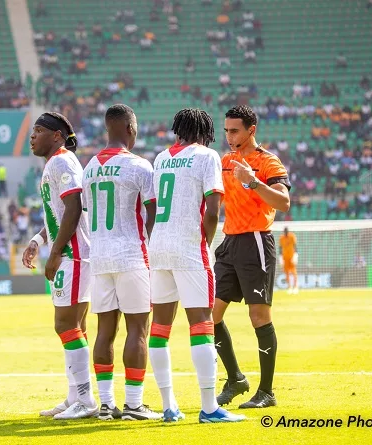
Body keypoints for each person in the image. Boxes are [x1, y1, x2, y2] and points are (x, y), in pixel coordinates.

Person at [148, 108, 245, 423]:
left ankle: (168, 407)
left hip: (158, 247)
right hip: (188, 247)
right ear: (206, 132)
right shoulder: (206, 156)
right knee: (202, 324)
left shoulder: (161, 158)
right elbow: (213, 208)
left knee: (159, 329)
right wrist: (203, 241)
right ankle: (209, 407)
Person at [83, 104, 160, 421]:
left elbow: (88, 212)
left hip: (99, 257)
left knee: (104, 330)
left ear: (107, 129)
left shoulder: (88, 168)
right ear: (131, 128)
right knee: (138, 329)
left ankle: (105, 405)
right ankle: (133, 404)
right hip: (132, 256)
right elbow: (153, 216)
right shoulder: (140, 166)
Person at [213, 105, 291, 409]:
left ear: (251, 130)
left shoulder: (267, 162)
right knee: (211, 317)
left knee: (258, 316)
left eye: (235, 131)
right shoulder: (225, 161)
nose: (230, 137)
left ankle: (267, 392)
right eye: (227, 131)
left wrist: (254, 182)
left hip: (256, 242)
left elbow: (283, 202)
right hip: (229, 243)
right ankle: (235, 379)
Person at [23, 112, 97, 420]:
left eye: (38, 130)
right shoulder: (55, 164)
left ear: (56, 135)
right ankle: (75, 397)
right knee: (74, 327)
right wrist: (38, 242)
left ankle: (85, 400)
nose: (32, 136)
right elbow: (58, 214)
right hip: (71, 252)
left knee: (65, 325)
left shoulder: (62, 161)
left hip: (74, 254)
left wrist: (54, 254)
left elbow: (74, 206)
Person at [279, 227, 298, 294]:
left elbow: (295, 246)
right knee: (286, 272)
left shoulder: (292, 236)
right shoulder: (281, 238)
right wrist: (280, 257)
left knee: (293, 272)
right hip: (285, 257)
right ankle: (289, 287)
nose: (286, 233)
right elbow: (280, 248)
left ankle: (295, 287)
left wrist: (295, 255)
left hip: (291, 256)